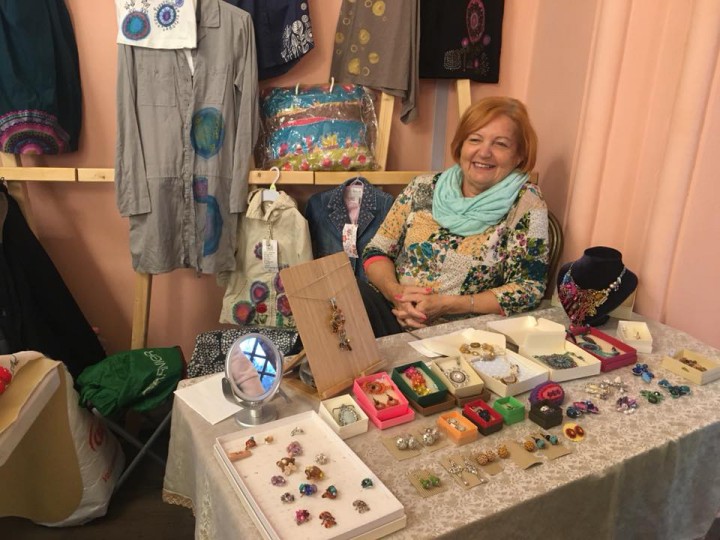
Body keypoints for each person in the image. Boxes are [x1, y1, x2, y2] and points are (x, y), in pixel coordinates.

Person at [360, 96, 549, 336]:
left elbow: (528, 288)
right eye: (475, 139)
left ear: (520, 155)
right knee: (335, 297)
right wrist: (396, 294)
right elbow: (377, 250)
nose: (484, 152)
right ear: (461, 146)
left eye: (500, 144)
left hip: (463, 335)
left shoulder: (526, 204)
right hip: (394, 314)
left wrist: (449, 304)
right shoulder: (422, 187)